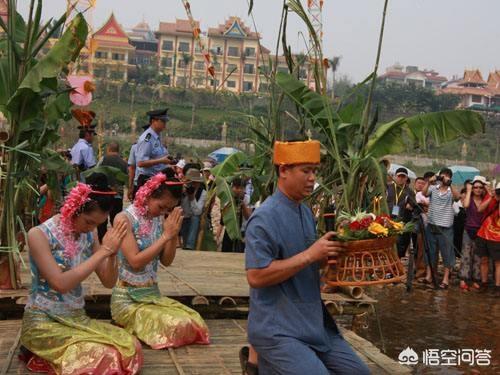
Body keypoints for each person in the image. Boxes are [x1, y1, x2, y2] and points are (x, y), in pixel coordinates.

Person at [244, 140, 369, 375]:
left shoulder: (305, 212)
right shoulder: (263, 218)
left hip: (311, 322)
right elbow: (256, 276)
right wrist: (312, 254)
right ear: (283, 170)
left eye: (314, 171)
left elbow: (306, 262)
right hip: (277, 327)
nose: (312, 178)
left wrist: (330, 254)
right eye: (305, 171)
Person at [20, 174, 143, 374]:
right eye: (89, 222)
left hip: (76, 318)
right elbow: (60, 283)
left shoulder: (89, 234)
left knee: (131, 346)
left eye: (97, 224)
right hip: (43, 321)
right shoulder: (39, 235)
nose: (92, 228)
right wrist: (103, 251)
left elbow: (108, 281)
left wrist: (112, 254)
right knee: (106, 355)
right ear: (74, 208)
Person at [111, 172, 210, 349]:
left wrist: (173, 234)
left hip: (152, 295)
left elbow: (166, 261)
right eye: (162, 206)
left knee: (194, 322)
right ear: (148, 195)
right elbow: (135, 261)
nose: (164, 212)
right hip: (128, 299)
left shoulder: (158, 218)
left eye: (169, 209)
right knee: (175, 326)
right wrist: (165, 236)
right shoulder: (124, 218)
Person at [421, 168, 461, 289]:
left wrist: (450, 183)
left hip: (446, 227)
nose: (442, 179)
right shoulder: (434, 188)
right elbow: (424, 193)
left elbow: (458, 197)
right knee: (430, 251)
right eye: (441, 176)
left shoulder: (450, 190)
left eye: (445, 177)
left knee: (447, 253)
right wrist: (429, 182)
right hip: (432, 225)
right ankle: (429, 275)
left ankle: (445, 279)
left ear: (449, 177)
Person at [459, 176, 487, 291]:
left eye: (480, 187)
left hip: (481, 231)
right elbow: (465, 205)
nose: (478, 189)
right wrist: (469, 189)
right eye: (476, 187)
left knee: (478, 257)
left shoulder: (485, 199)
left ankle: (476, 279)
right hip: (468, 229)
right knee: (466, 255)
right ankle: (463, 279)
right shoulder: (468, 198)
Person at [135, 109, 173, 192]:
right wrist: (161, 160)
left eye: (165, 121)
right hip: (147, 180)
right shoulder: (147, 138)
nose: (164, 124)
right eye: (162, 121)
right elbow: (141, 163)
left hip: (157, 179)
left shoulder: (157, 136)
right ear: (153, 121)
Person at [97, 141, 129, 242]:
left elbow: (96, 173)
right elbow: (126, 178)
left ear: (108, 149)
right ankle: (117, 241)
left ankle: (102, 240)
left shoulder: (103, 159)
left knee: (102, 220)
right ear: (118, 150)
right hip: (118, 196)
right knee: (116, 220)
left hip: (104, 194)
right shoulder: (124, 163)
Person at [475, 182, 500, 291]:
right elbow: (480, 209)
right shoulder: (491, 198)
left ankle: (497, 286)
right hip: (484, 233)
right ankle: (484, 283)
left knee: (498, 262)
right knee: (484, 259)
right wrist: (492, 197)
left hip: (497, 237)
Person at [386, 167, 415, 258]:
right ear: (395, 177)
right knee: (386, 244)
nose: (401, 178)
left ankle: (396, 265)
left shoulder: (409, 191)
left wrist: (410, 206)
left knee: (399, 244)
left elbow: (414, 204)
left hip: (401, 221)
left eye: (403, 177)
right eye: (399, 176)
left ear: (406, 178)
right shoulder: (388, 188)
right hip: (387, 219)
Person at [221, 177, 252, 253]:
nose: (239, 190)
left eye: (241, 188)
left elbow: (248, 217)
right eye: (236, 188)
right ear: (232, 188)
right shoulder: (228, 198)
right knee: (225, 252)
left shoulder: (247, 199)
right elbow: (223, 217)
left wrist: (243, 205)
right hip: (230, 230)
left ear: (244, 189)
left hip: (242, 232)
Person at [180, 168, 207, 250]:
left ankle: (189, 246)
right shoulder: (181, 189)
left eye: (195, 182)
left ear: (199, 183)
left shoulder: (203, 193)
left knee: (195, 218)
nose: (193, 185)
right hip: (182, 218)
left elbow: (198, 212)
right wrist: (182, 194)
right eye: (190, 182)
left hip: (192, 220)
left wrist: (192, 198)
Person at [70, 109, 97, 181]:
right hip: (82, 179)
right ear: (87, 135)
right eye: (92, 135)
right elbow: (92, 167)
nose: (93, 137)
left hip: (74, 179)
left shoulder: (75, 146)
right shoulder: (86, 148)